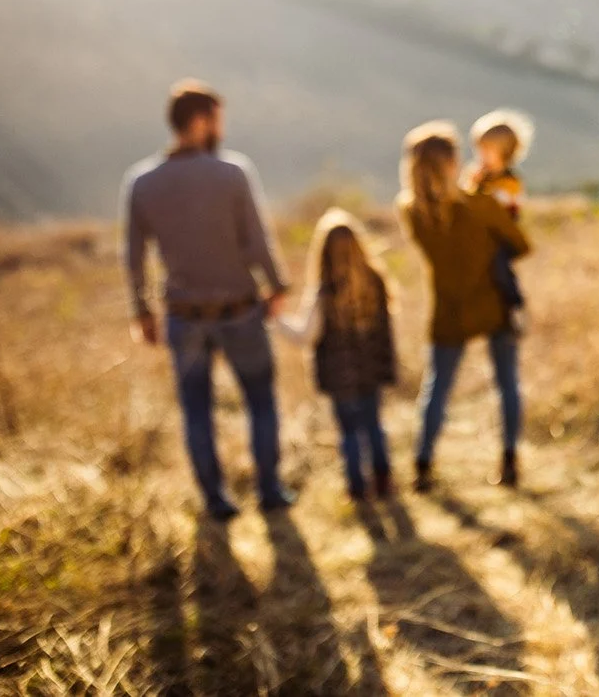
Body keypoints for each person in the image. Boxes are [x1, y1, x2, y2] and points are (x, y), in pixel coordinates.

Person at [122, 79, 293, 520]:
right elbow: (256, 241)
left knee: (196, 411)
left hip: (183, 315)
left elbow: (134, 256)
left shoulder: (142, 182)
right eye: (217, 120)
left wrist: (141, 311)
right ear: (200, 121)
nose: (221, 129)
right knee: (260, 400)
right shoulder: (231, 172)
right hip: (239, 309)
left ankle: (216, 500)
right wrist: (278, 286)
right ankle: (270, 490)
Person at [396, 121, 531, 491]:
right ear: (451, 164)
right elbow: (521, 245)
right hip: (494, 303)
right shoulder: (482, 205)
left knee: (436, 388)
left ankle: (422, 465)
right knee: (507, 384)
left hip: (449, 308)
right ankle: (509, 461)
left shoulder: (411, 211)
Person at [282, 208, 397, 503]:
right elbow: (386, 333)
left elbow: (304, 335)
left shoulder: (323, 293)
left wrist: (274, 321)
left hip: (339, 377)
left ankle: (357, 487)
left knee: (349, 432)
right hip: (371, 371)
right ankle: (383, 480)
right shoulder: (376, 283)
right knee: (373, 425)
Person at [463, 109, 535, 331]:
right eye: (479, 150)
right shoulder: (480, 176)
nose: (481, 156)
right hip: (479, 235)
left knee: (499, 265)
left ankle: (516, 303)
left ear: (504, 152)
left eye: (486, 150)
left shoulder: (510, 181)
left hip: (501, 236)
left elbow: (505, 208)